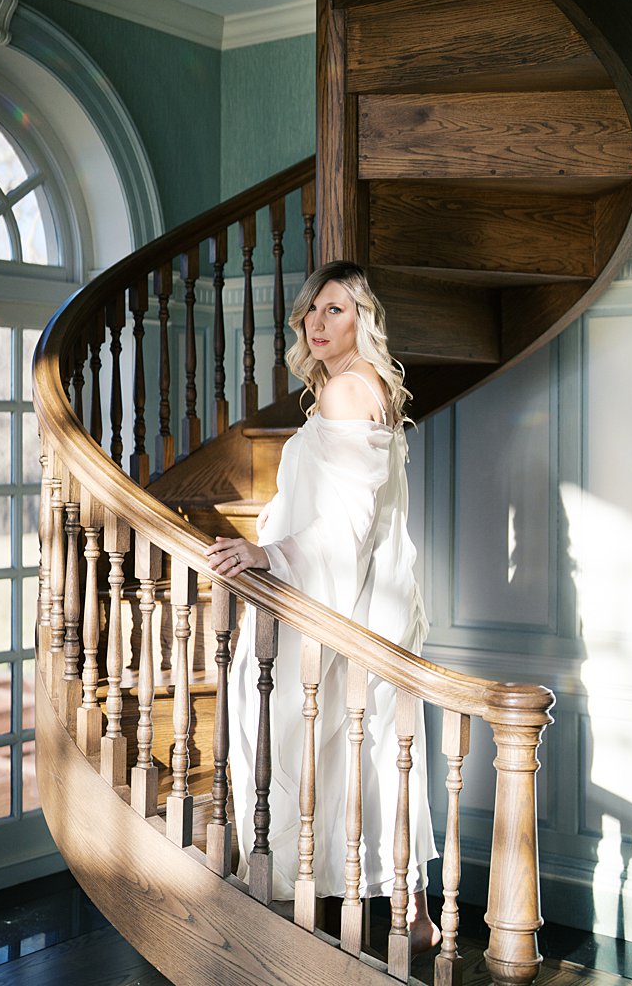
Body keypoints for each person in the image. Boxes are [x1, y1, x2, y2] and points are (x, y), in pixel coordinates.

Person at [204, 260, 440, 953]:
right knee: (377, 749)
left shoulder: (345, 394)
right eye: (312, 309)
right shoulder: (363, 389)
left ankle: (287, 893)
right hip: (376, 599)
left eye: (337, 309)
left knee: (291, 728)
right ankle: (412, 910)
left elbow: (346, 527)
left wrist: (266, 555)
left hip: (342, 596)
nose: (317, 322)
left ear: (363, 318)